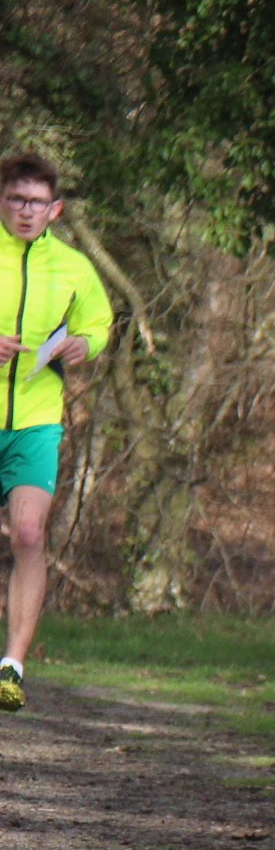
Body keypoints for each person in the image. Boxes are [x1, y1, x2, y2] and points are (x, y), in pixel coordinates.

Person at [0, 151, 113, 714]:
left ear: (56, 210)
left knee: (28, 534)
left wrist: (84, 343)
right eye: (16, 199)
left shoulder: (73, 267)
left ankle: (12, 668)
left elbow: (99, 322)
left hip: (37, 419)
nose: (26, 211)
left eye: (37, 202)